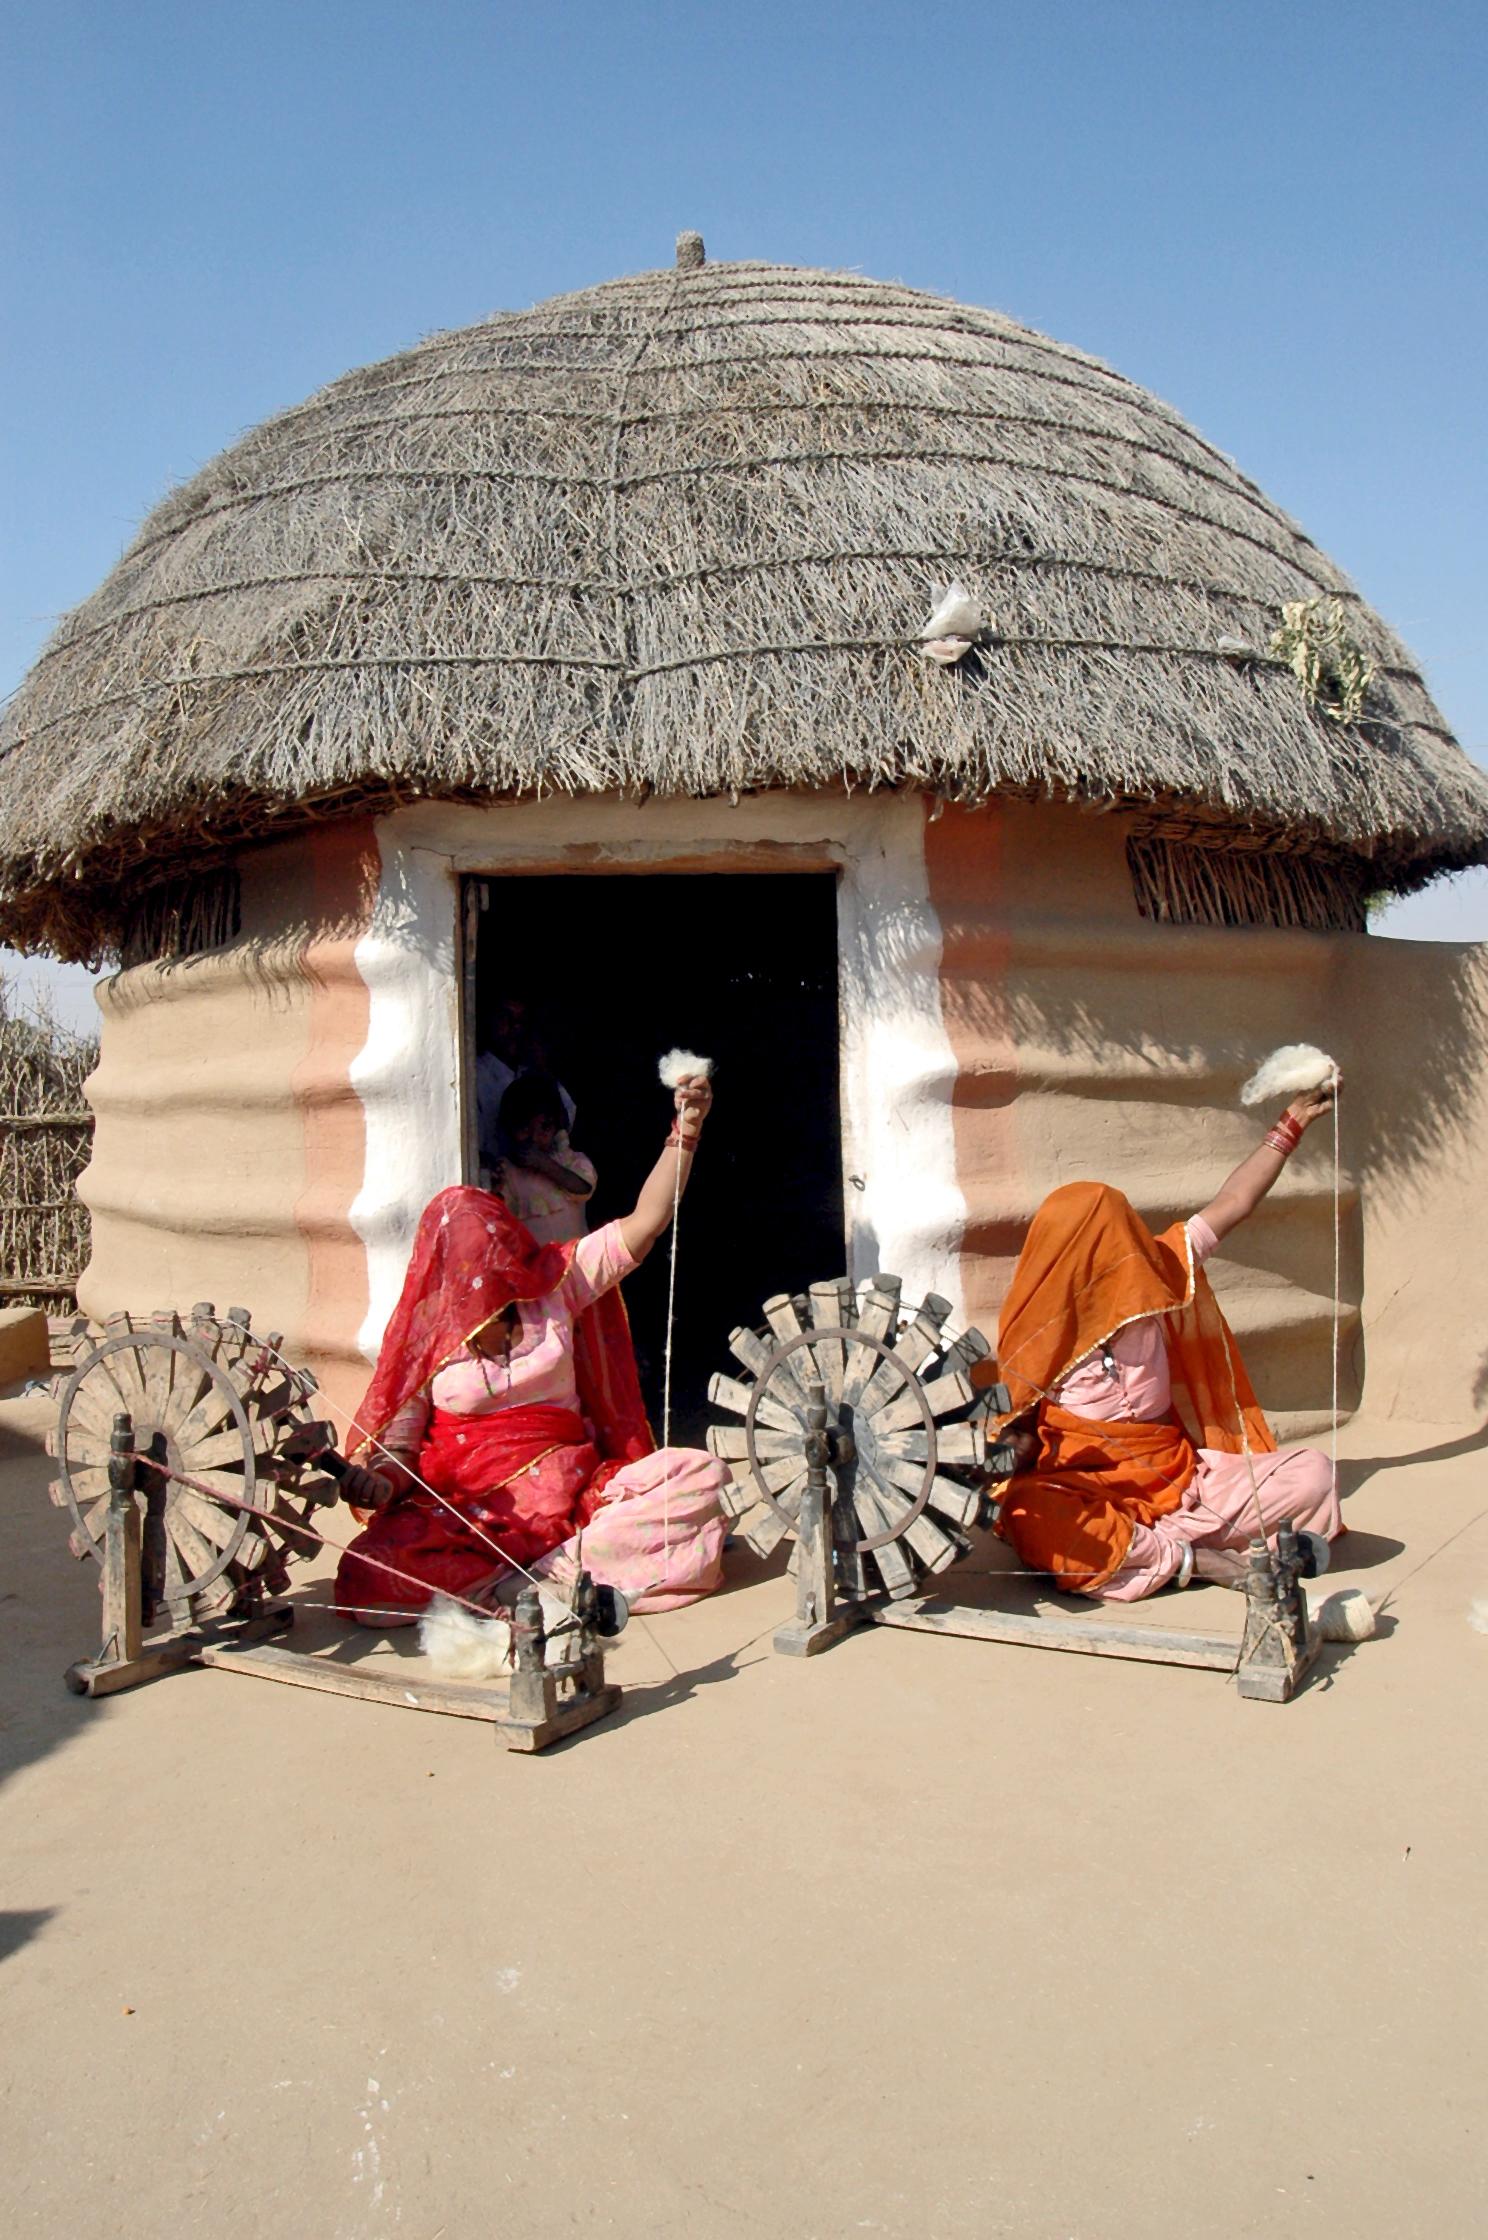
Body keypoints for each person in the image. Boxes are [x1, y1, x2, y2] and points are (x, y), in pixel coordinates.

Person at [336, 1070, 725, 1620]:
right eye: (467, 1273)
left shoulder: (555, 1285)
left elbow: (647, 1222)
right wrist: (377, 1484)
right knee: (367, 1571)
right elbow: (396, 1454)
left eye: (491, 1264)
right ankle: (556, 1582)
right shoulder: (427, 1341)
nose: (482, 1283)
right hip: (472, 1518)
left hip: (577, 1501)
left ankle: (537, 1581)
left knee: (699, 1477)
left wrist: (686, 1128)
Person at [993, 1079, 1342, 1601]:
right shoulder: (1036, 1332)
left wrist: (1291, 1125)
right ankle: (1197, 1560)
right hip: (1090, 1500)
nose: (1124, 1253)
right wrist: (1009, 1446)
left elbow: (1234, 1203)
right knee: (1033, 1515)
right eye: (1106, 1247)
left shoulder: (1155, 1275)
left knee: (1313, 1475)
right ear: (1068, 1262)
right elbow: (1011, 1445)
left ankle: (1156, 1554)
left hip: (1186, 1487)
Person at [495, 1071, 595, 1246]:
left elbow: (584, 1189)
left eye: (544, 1127)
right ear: (509, 1129)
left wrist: (545, 1164)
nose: (534, 1137)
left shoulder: (568, 1160)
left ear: (557, 1125)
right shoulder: (507, 1173)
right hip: (536, 1270)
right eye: (524, 1128)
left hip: (577, 1265)